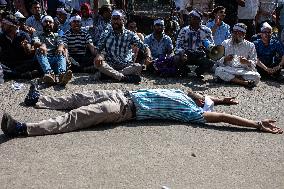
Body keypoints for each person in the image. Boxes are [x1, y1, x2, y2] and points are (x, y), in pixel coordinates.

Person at [1, 85, 282, 137]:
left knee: (74, 119)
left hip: (123, 108)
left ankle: (23, 129)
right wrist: (220, 99)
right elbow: (213, 101)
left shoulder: (191, 112)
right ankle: (38, 99)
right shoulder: (184, 93)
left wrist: (255, 123)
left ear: (201, 106)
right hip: (119, 94)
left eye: (203, 99)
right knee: (76, 97)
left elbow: (220, 117)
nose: (199, 94)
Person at [93, 9, 152, 83]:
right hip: (110, 64)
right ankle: (124, 78)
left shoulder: (130, 35)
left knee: (138, 67)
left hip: (125, 65)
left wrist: (148, 56)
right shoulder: (105, 34)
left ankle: (109, 75)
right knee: (97, 63)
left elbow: (145, 47)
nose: (115, 21)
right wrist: (99, 55)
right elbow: (98, 49)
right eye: (113, 19)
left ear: (123, 20)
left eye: (117, 19)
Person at [215, 23, 261, 88]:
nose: (235, 35)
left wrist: (247, 62)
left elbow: (254, 61)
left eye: (238, 33)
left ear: (244, 34)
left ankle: (231, 79)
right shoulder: (225, 43)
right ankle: (243, 82)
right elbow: (218, 60)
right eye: (234, 32)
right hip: (229, 69)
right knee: (218, 70)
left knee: (256, 76)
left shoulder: (250, 45)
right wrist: (225, 59)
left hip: (243, 70)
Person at [175, 9, 216, 79]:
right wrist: (182, 53)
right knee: (176, 58)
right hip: (187, 54)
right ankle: (185, 71)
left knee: (211, 62)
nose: (189, 19)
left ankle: (198, 72)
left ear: (199, 19)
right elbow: (178, 45)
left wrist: (207, 50)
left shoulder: (206, 30)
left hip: (200, 55)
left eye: (192, 18)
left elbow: (211, 45)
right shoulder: (184, 30)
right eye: (189, 17)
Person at [33, 15, 72, 86]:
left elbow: (61, 42)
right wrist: (42, 45)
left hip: (55, 61)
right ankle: (50, 74)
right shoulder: (37, 33)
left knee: (62, 51)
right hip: (43, 62)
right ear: (42, 24)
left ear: (53, 24)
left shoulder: (57, 35)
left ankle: (62, 75)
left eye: (50, 22)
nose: (48, 23)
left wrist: (60, 47)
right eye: (46, 22)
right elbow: (35, 42)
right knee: (39, 50)